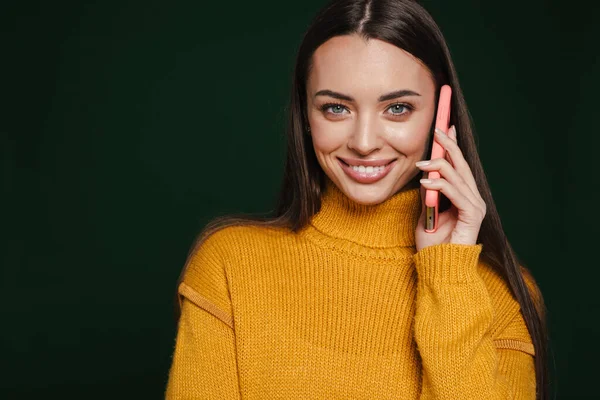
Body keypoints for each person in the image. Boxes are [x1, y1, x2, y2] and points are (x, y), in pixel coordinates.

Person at [165, 0, 548, 398]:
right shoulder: (229, 266)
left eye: (397, 108)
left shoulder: (501, 295)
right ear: (306, 116)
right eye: (336, 108)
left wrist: (447, 278)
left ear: (440, 114)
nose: (364, 143)